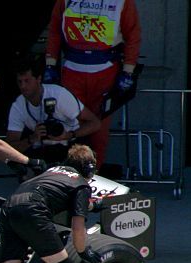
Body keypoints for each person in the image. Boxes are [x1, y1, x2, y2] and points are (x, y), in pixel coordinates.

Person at [44, 0, 142, 167]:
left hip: (106, 71)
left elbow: (133, 35)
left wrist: (128, 71)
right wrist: (50, 64)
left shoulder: (122, 2)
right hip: (73, 69)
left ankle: (94, 176)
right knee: (68, 124)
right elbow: (54, 30)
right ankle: (68, 175)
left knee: (99, 130)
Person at [7, 57, 101, 165]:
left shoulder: (59, 95)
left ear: (38, 79)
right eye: (20, 82)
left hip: (71, 145)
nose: (23, 86)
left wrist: (69, 135)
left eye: (27, 81)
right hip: (42, 149)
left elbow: (95, 123)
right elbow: (10, 147)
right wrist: (32, 138)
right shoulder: (18, 106)